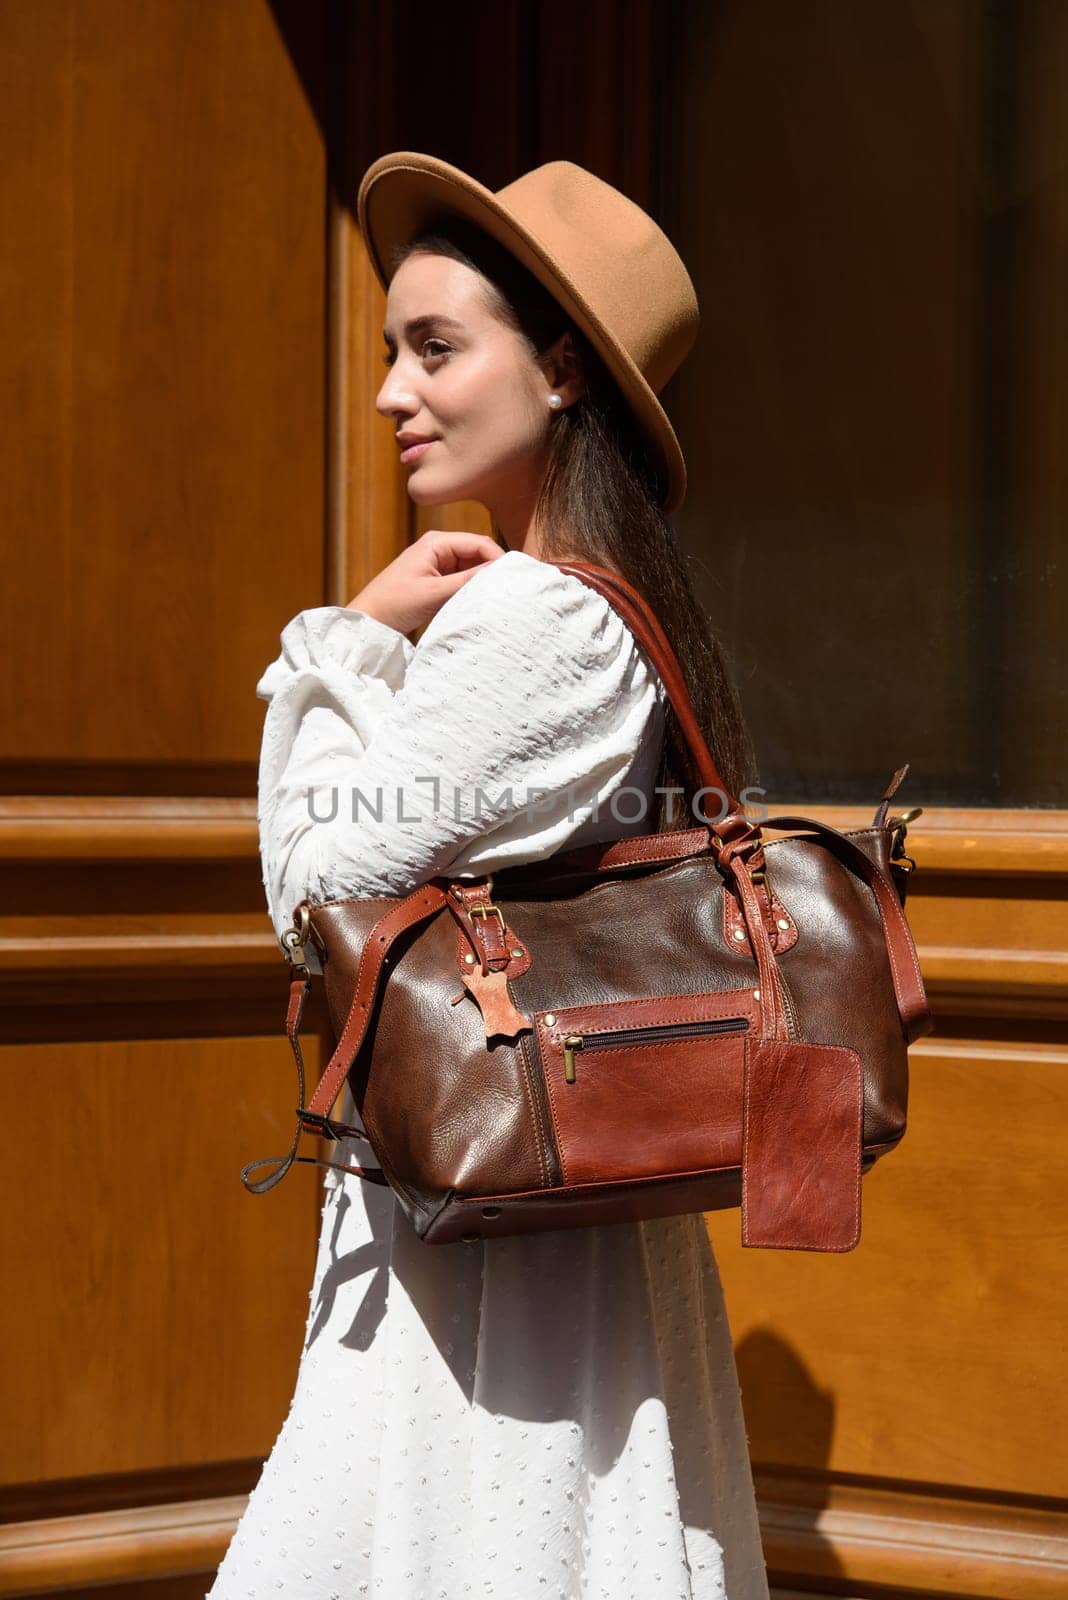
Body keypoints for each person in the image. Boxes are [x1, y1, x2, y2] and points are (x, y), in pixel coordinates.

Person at [208, 153, 770, 1600]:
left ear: (566, 369)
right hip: (528, 1216)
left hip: (491, 1266)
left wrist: (339, 643)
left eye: (438, 349)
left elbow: (315, 893)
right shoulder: (580, 607)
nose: (395, 390)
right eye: (394, 349)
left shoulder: (538, 622)